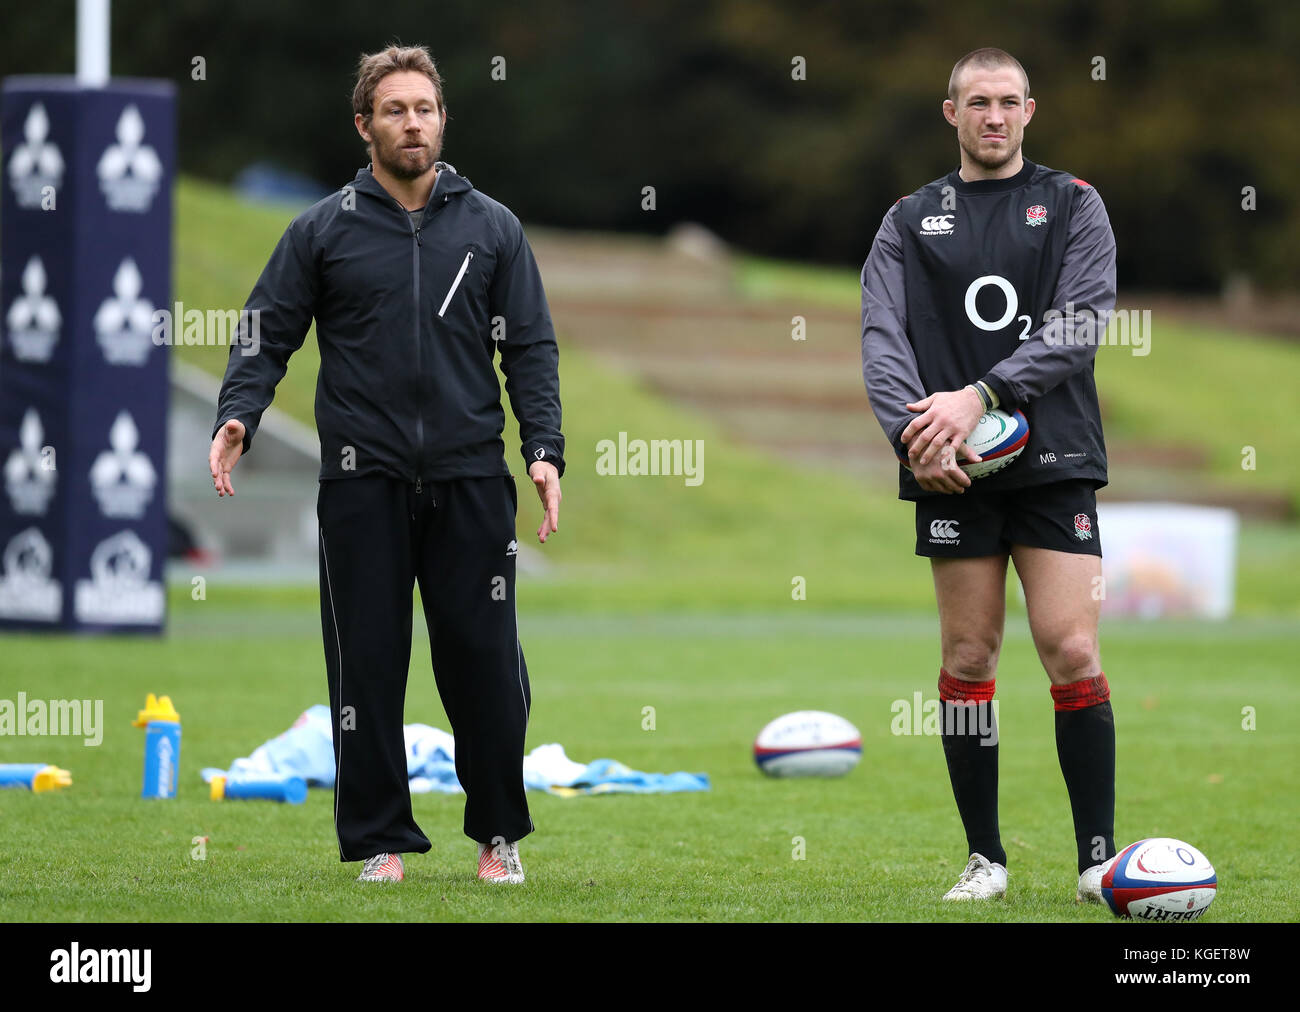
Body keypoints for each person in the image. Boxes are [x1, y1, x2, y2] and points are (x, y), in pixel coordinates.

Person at [208, 44, 564, 885]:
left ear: (444, 118)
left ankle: (497, 836)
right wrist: (238, 412)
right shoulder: (323, 229)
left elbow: (534, 350)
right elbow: (266, 329)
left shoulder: (493, 228)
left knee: (484, 665)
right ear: (364, 125)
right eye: (396, 110)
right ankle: (380, 841)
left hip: (472, 480)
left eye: (427, 108)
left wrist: (542, 449)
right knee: (365, 667)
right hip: (361, 482)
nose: (414, 123)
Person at [860, 48, 1118, 903]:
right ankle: (985, 860)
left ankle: (1095, 860)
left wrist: (981, 395)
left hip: (1055, 461)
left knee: (1071, 647)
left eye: (1009, 102)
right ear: (952, 114)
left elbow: (1079, 324)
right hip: (952, 471)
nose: (995, 117)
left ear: (1031, 111)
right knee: (969, 658)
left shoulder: (1075, 204)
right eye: (979, 102)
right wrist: (914, 437)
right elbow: (882, 337)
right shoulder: (908, 219)